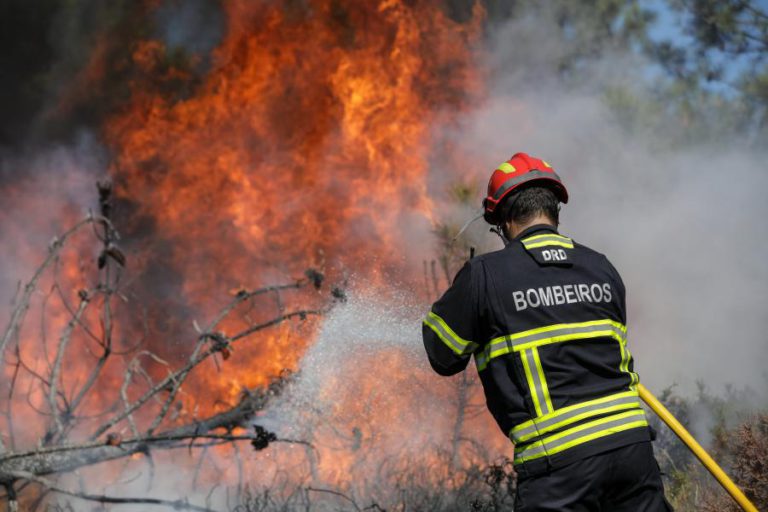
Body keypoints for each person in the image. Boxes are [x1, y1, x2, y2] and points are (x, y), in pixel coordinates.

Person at [422, 152, 673, 511]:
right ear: (554, 210)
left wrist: (466, 296)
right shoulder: (601, 267)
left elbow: (442, 354)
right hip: (632, 449)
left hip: (561, 464)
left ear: (505, 219)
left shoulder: (485, 274)